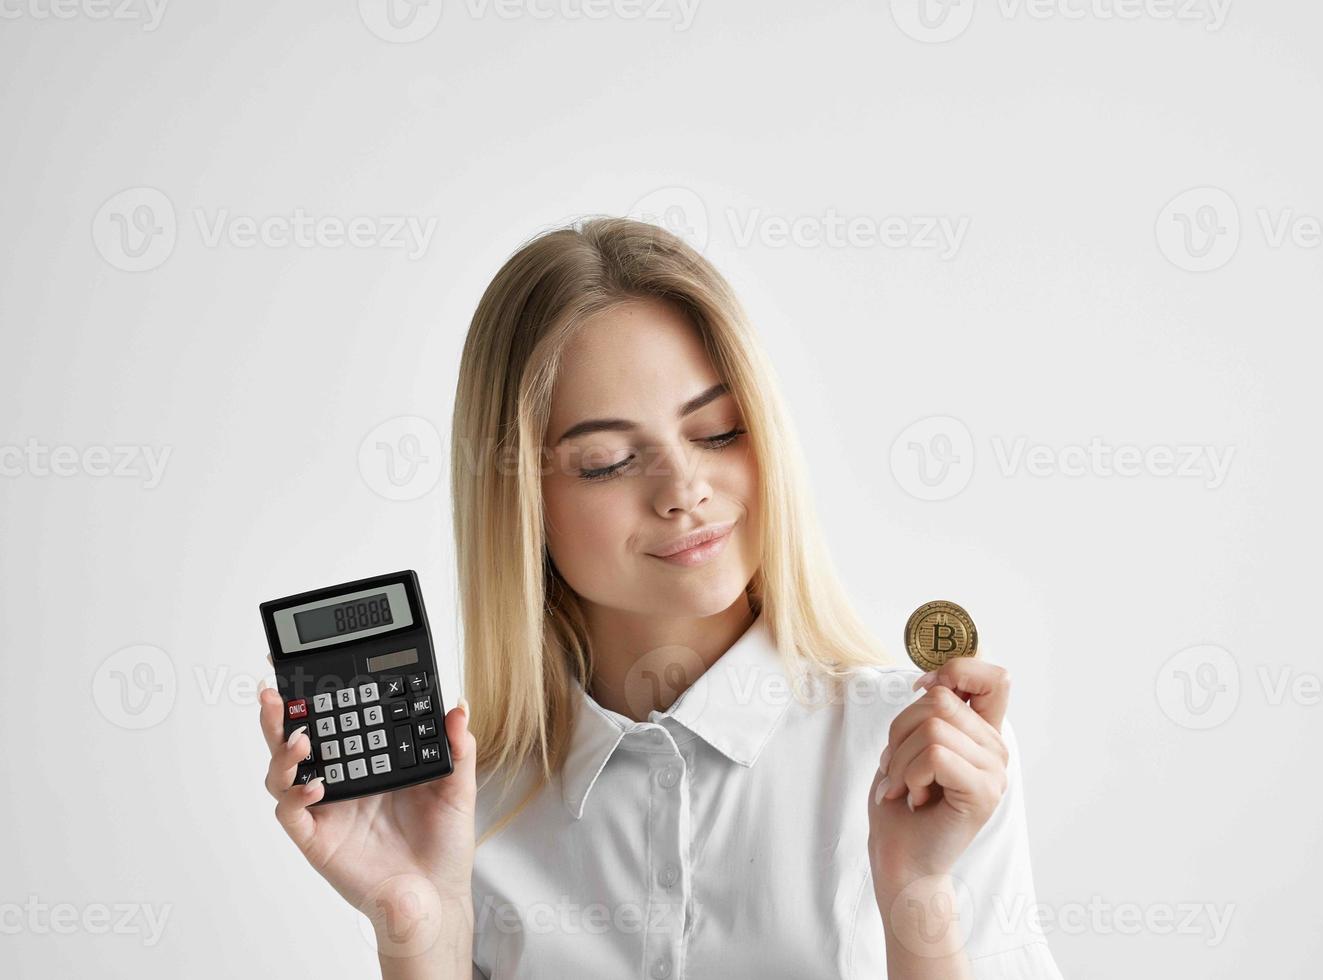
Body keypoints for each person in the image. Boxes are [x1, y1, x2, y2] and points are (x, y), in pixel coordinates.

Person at [256, 216, 1064, 979]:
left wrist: (916, 897)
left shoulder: (923, 758)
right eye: (606, 461)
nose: (684, 490)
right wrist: (415, 929)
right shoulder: (464, 809)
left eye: (716, 432)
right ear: (520, 508)